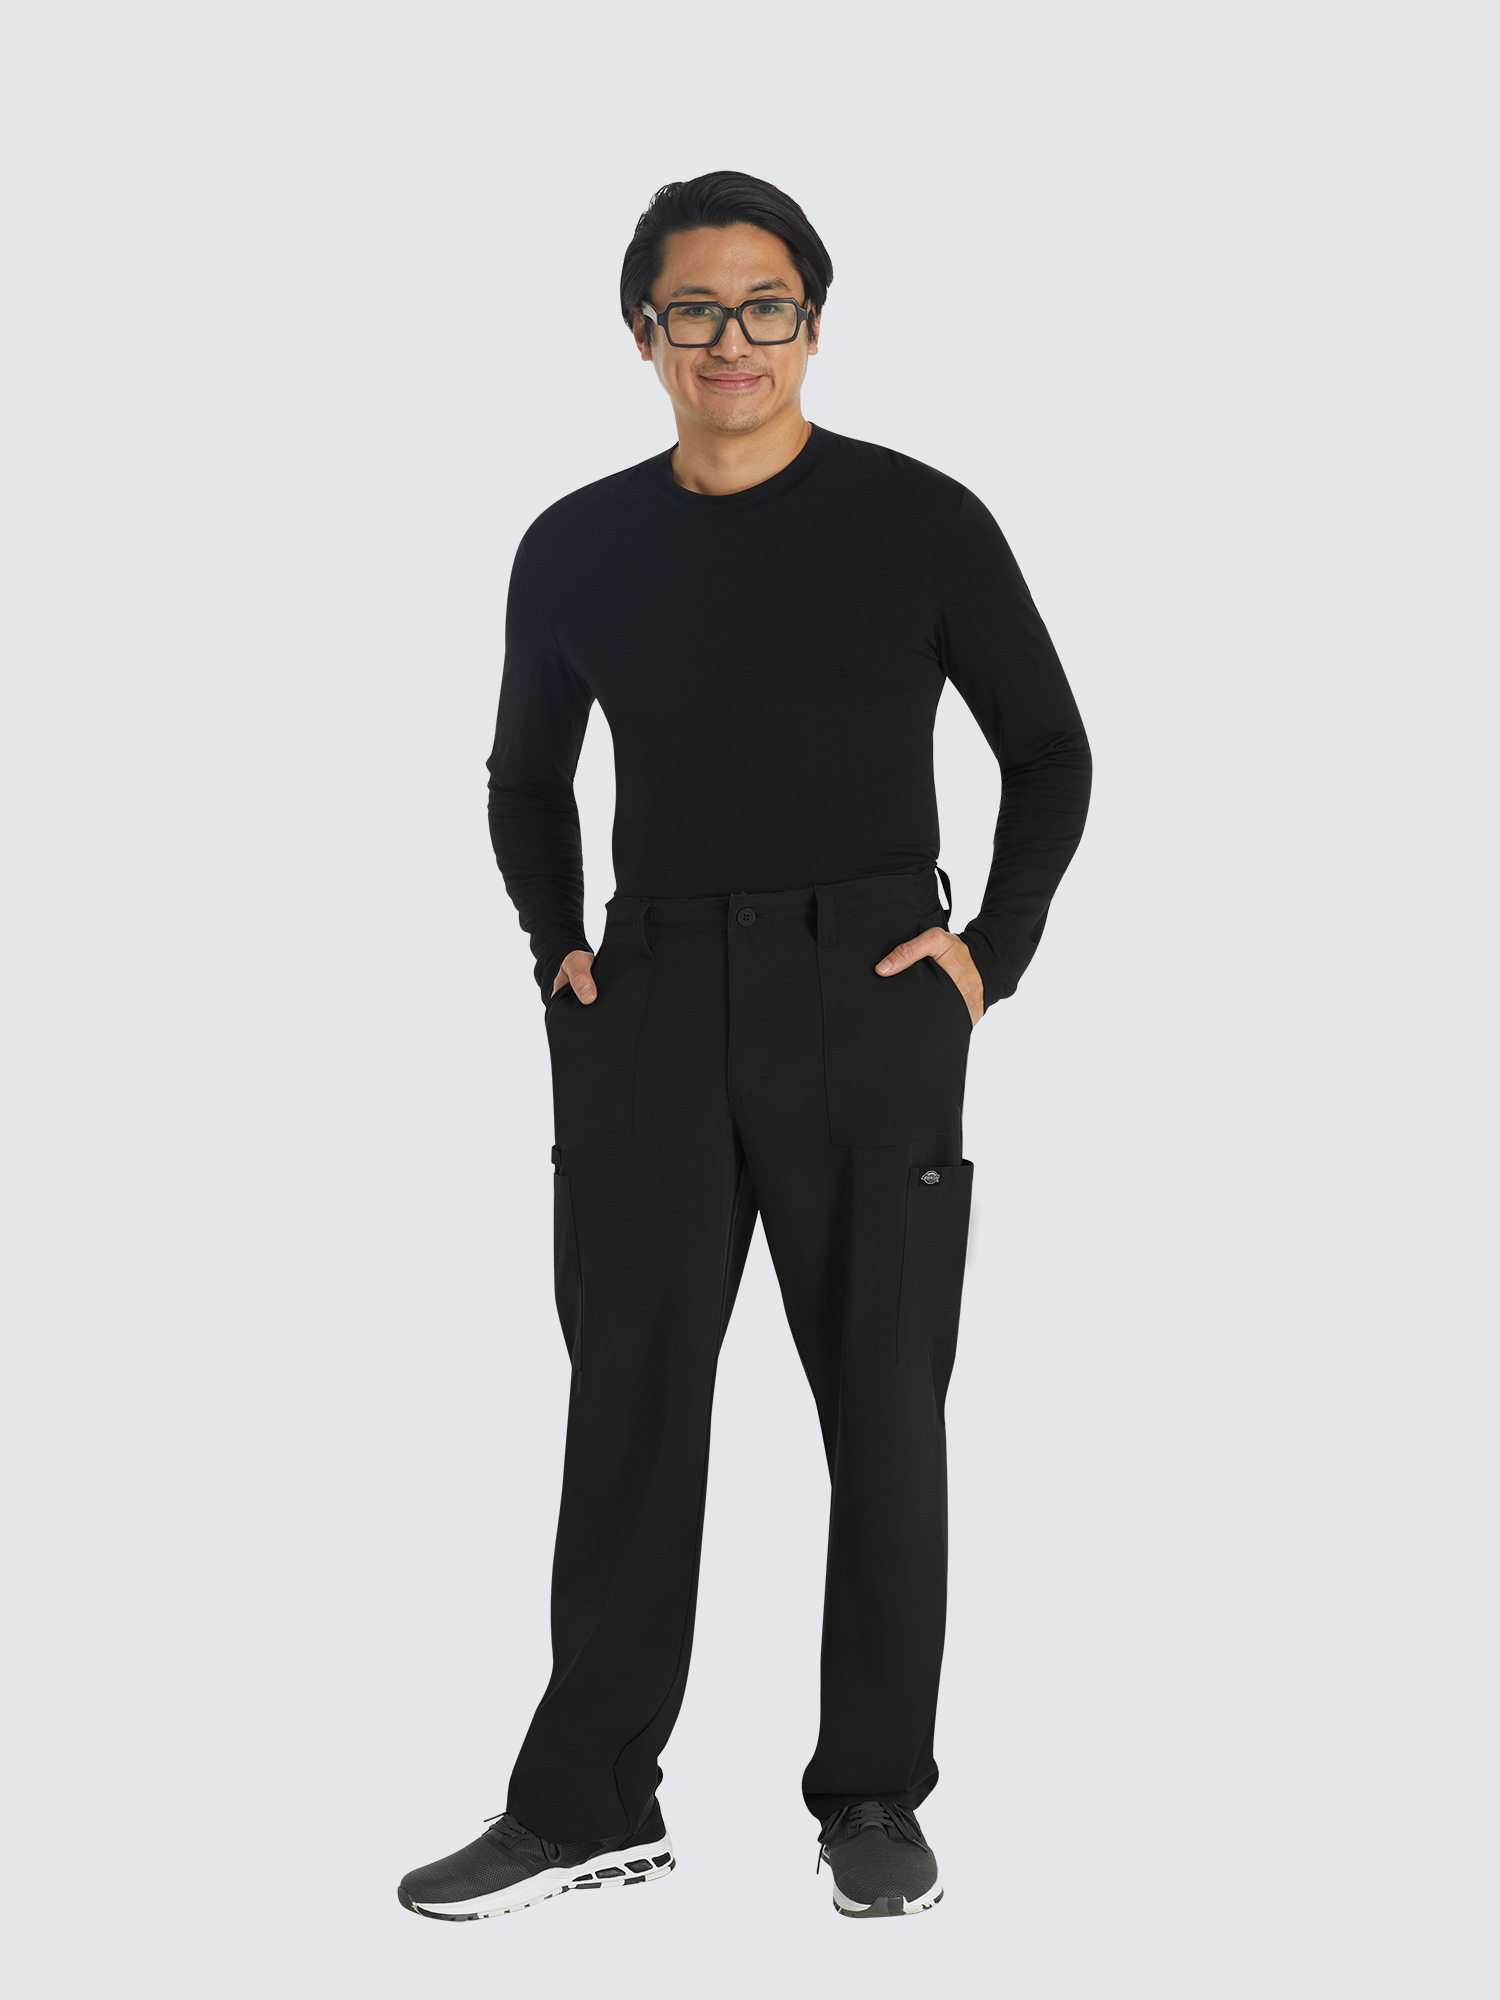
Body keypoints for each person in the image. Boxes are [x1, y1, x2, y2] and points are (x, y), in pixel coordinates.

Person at [398, 170, 1091, 1924]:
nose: (732, 339)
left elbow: (1051, 751)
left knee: (883, 1402)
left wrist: (986, 961)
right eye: (694, 308)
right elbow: (524, 777)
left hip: (870, 990)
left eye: (765, 304)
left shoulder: (921, 520)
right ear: (642, 333)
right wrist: (558, 951)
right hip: (646, 1003)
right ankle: (586, 1803)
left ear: (813, 325)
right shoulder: (575, 546)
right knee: (629, 1402)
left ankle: (872, 1794)